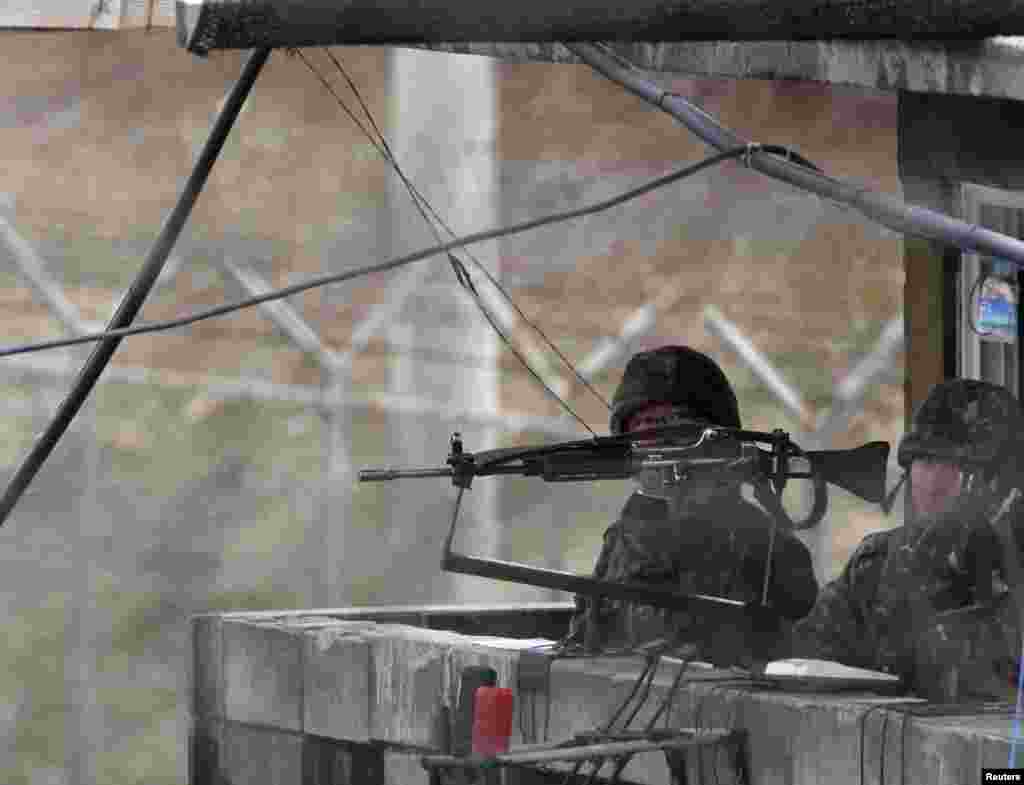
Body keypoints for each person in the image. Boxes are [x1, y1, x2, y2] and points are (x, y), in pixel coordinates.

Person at [564, 345, 819, 668]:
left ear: (719, 442)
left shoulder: (766, 547)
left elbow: (796, 666)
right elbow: (587, 645)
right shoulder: (624, 540)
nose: (656, 443)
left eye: (675, 428)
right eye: (643, 429)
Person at [790, 378, 1024, 702]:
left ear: (1002, 481)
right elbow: (806, 664)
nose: (935, 482)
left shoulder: (1014, 570)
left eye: (957, 465)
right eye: (925, 461)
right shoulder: (877, 565)